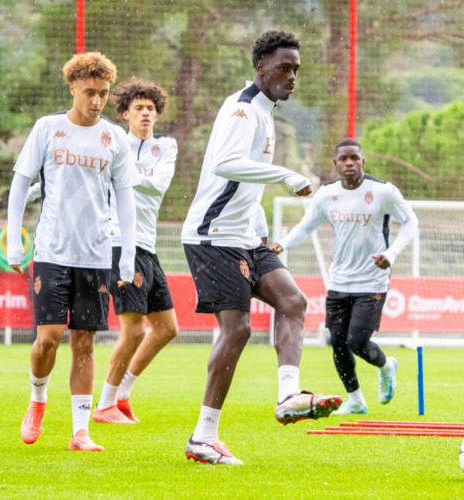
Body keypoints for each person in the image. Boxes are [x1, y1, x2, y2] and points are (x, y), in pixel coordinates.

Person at [180, 30, 342, 466]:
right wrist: (288, 176)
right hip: (212, 236)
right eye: (284, 68)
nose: (292, 77)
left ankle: (289, 395)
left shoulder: (266, 112)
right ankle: (203, 437)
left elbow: (244, 185)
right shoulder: (243, 109)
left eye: (296, 71)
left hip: (245, 237)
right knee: (237, 330)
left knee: (293, 301)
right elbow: (225, 165)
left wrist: (261, 228)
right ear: (261, 68)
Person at [6, 52, 139, 451]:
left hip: (96, 256)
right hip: (51, 250)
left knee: (84, 342)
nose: (96, 101)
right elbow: (20, 183)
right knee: (47, 338)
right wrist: (15, 239)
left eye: (103, 93)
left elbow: (127, 198)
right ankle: (37, 399)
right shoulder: (48, 128)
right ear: (72, 88)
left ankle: (81, 431)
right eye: (89, 92)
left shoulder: (115, 137)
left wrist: (127, 255)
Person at [270, 139, 418, 415]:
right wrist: (283, 244)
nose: (349, 163)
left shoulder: (383, 191)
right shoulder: (326, 195)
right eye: (344, 159)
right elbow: (306, 226)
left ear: (363, 162)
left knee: (357, 342)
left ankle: (386, 366)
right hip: (339, 281)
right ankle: (356, 400)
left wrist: (392, 253)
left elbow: (411, 221)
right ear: (335, 164)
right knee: (337, 342)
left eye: (355, 158)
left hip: (373, 279)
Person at [91, 78, 179, 424]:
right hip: (118, 242)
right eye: (139, 108)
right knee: (135, 330)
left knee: (167, 328)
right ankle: (104, 405)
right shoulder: (113, 144)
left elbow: (159, 184)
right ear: (125, 113)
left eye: (151, 109)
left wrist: (121, 175)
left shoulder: (166, 147)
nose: (146, 113)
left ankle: (123, 394)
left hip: (149, 246)